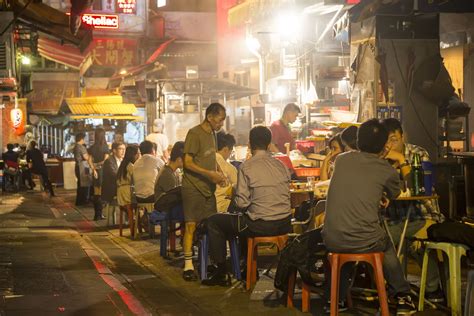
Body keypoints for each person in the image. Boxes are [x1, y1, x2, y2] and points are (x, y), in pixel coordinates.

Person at [322, 119, 416, 314]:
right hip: (365, 239)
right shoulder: (386, 170)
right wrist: (401, 160)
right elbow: (399, 192)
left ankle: (336, 299)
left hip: (331, 238)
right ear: (384, 145)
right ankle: (402, 296)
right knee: (386, 242)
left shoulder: (342, 160)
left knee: (346, 242)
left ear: (358, 140)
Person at [203, 126, 292, 286]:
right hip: (284, 224)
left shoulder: (247, 166)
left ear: (250, 144)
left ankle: (221, 271)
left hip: (259, 226)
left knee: (215, 221)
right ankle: (247, 267)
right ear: (269, 143)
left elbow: (241, 203)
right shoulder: (281, 166)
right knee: (244, 220)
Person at [382, 118, 444, 301]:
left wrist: (401, 161)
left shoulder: (418, 153)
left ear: (403, 136)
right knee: (386, 242)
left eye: (394, 139)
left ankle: (432, 289)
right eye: (386, 141)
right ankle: (399, 292)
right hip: (394, 217)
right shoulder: (381, 160)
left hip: (423, 214)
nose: (390, 145)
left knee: (419, 243)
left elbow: (421, 189)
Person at [181, 102, 227, 281]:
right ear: (209, 117)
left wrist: (219, 172)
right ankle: (188, 265)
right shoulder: (194, 133)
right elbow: (188, 162)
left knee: (211, 226)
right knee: (191, 225)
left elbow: (210, 158)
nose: (221, 124)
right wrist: (209, 174)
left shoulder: (213, 134)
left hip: (208, 188)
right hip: (193, 186)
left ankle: (209, 262)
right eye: (220, 120)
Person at [117, 145, 140, 237]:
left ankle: (138, 225)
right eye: (138, 153)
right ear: (133, 155)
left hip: (120, 193)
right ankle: (135, 229)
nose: (139, 155)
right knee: (142, 205)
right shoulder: (130, 166)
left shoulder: (123, 164)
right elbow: (137, 178)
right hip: (127, 194)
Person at [88, 128, 110, 221]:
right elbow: (106, 160)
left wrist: (94, 169)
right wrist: (100, 165)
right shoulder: (105, 147)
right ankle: (100, 214)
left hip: (95, 172)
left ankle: (96, 215)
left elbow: (89, 160)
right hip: (103, 171)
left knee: (96, 193)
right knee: (101, 193)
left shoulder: (92, 147)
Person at [215, 133, 238, 213]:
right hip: (223, 208)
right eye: (230, 151)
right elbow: (237, 189)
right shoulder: (230, 168)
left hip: (206, 207)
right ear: (226, 149)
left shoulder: (206, 161)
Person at [74, 132, 95, 206]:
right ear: (81, 139)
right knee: (85, 184)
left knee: (80, 184)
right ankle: (84, 200)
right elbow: (86, 157)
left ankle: (79, 201)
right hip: (83, 167)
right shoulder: (81, 147)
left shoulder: (76, 146)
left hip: (78, 166)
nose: (85, 140)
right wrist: (91, 156)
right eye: (84, 138)